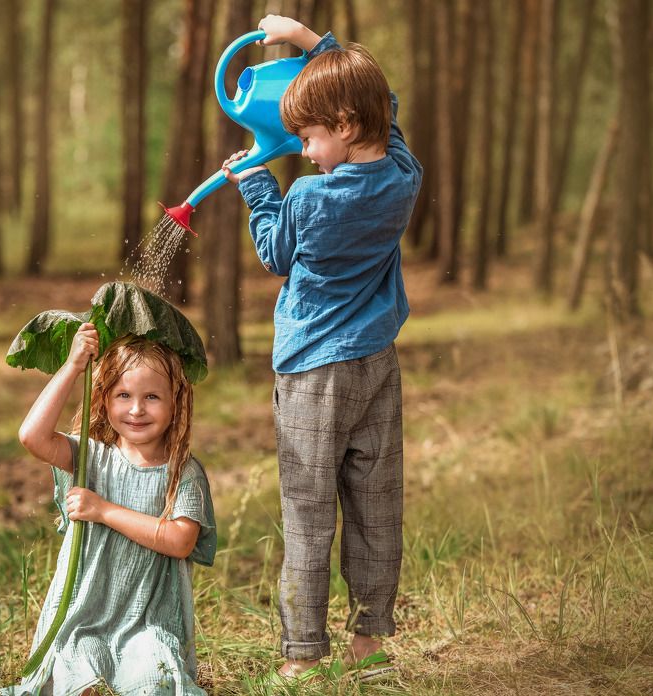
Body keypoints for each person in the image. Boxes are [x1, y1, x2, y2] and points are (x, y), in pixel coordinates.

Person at [221, 14, 422, 683]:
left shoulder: (307, 198)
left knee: (308, 513)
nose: (303, 151)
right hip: (377, 364)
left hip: (313, 371)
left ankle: (304, 654)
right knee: (375, 506)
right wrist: (312, 42)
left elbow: (275, 253)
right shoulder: (403, 176)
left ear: (345, 124)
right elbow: (383, 104)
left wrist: (256, 185)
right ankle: (371, 643)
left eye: (308, 136)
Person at [0, 324, 216, 695]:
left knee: (156, 682)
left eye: (152, 397)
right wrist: (73, 366)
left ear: (176, 402)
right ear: (103, 398)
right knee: (75, 680)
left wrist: (103, 510)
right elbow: (32, 436)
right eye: (123, 395)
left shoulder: (182, 471)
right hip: (84, 620)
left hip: (148, 624)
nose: (136, 409)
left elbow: (180, 541)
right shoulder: (91, 457)